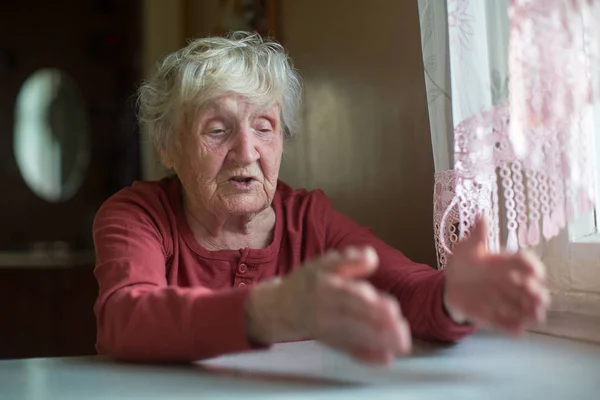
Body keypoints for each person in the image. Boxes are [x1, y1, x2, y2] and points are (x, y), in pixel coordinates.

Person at [93, 32, 550, 365]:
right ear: (168, 146)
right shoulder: (137, 216)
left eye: (264, 127)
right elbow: (126, 317)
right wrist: (269, 311)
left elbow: (407, 289)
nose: (246, 152)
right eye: (217, 130)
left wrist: (455, 296)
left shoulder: (309, 219)